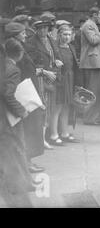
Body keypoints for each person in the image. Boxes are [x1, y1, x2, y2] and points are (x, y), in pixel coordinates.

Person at [4, 22, 45, 173]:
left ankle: (27, 162)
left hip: (27, 91)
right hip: (23, 93)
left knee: (29, 129)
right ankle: (26, 164)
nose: (25, 35)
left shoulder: (17, 45)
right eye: (22, 33)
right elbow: (18, 71)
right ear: (15, 35)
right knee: (28, 130)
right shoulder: (15, 48)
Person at [0, 39, 35, 207]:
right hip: (7, 118)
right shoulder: (13, 69)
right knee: (18, 147)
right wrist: (21, 111)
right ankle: (20, 183)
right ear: (20, 54)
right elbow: (8, 94)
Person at [26, 16, 63, 149]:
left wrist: (57, 61)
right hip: (40, 78)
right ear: (36, 29)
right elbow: (31, 63)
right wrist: (45, 71)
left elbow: (56, 56)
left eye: (45, 28)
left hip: (52, 77)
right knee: (41, 107)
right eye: (40, 28)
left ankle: (44, 138)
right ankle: (40, 140)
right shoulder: (31, 42)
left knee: (49, 107)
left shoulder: (51, 40)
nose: (43, 31)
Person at [79, 6, 100, 126]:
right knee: (93, 91)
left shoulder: (91, 24)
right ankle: (89, 118)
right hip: (92, 63)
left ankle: (92, 117)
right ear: (94, 15)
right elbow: (93, 40)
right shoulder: (88, 25)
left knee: (95, 91)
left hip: (94, 63)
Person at [51, 25, 81, 143]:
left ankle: (64, 133)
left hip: (70, 79)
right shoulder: (56, 49)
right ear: (59, 35)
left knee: (66, 107)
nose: (67, 37)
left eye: (69, 35)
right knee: (57, 107)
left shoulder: (71, 47)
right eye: (64, 34)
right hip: (61, 80)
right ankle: (54, 135)